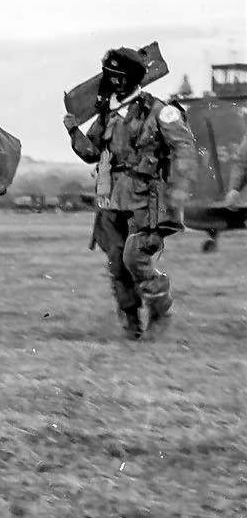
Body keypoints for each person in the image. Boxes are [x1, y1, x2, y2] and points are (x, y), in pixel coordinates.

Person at [65, 47, 197, 341]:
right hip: (112, 199)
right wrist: (74, 132)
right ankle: (131, 323)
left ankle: (161, 309)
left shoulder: (159, 111)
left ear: (136, 78)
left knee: (134, 258)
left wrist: (177, 191)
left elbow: (185, 148)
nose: (116, 83)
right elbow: (91, 153)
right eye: (112, 77)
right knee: (116, 263)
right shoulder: (107, 115)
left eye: (122, 77)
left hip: (145, 199)